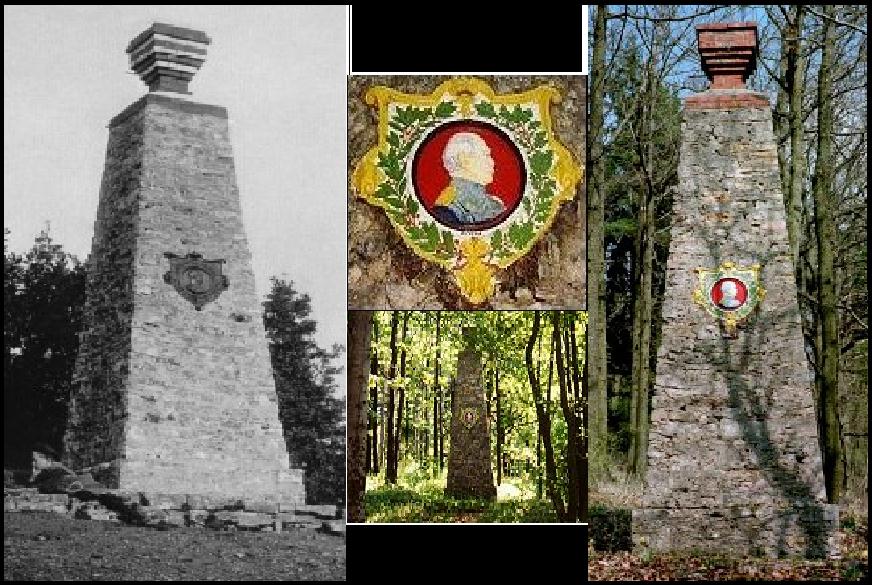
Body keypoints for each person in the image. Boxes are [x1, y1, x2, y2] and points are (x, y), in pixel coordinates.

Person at [431, 132, 506, 227]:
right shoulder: (444, 211)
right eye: (486, 155)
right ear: (464, 159)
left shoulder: (496, 205)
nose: (492, 163)